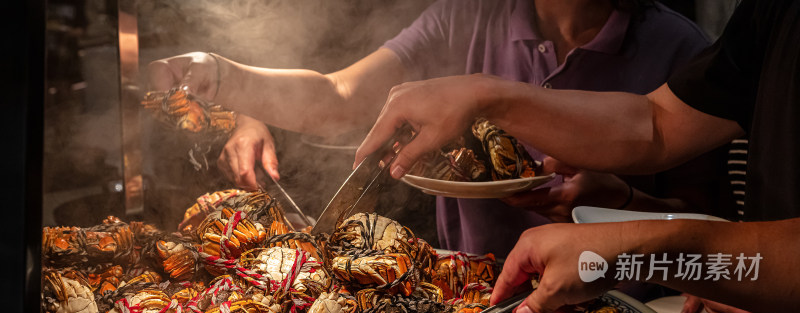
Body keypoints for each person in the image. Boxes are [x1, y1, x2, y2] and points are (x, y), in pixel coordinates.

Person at [354, 0, 800, 313]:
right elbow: (659, 123)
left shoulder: (673, 38)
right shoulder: (769, 12)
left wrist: (630, 247)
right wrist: (485, 94)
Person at [149, 0, 723, 256]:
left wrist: (618, 198)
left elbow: (714, 223)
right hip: (471, 301)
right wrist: (221, 76)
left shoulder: (681, 49)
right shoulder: (467, 15)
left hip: (627, 308)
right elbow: (338, 97)